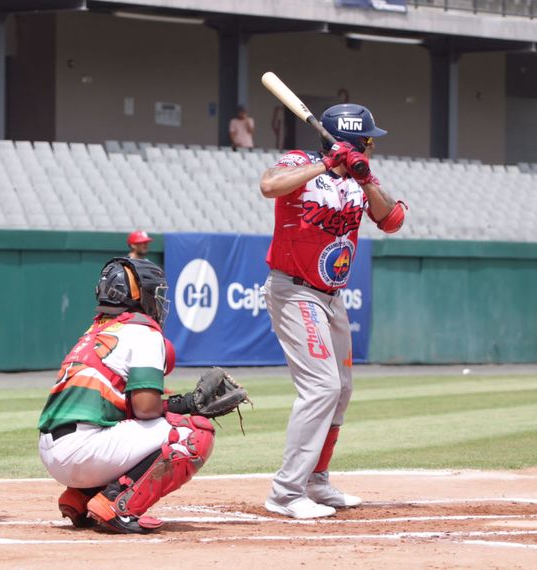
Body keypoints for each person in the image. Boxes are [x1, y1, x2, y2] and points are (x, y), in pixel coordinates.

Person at [258, 104, 406, 520]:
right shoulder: (300, 162)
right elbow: (269, 186)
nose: (373, 146)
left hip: (332, 295)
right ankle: (286, 492)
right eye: (368, 140)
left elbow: (391, 219)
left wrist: (364, 175)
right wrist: (325, 163)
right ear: (352, 139)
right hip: (294, 290)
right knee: (321, 386)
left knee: (340, 389)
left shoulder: (362, 179)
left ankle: (316, 481)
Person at [37, 257, 216, 534]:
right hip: (83, 451)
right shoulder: (143, 331)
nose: (158, 301)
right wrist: (188, 407)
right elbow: (145, 409)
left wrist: (184, 403)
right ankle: (117, 504)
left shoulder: (95, 330)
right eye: (154, 293)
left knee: (136, 428)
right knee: (194, 434)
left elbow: (127, 408)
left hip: (54, 451)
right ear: (138, 295)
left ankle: (82, 497)